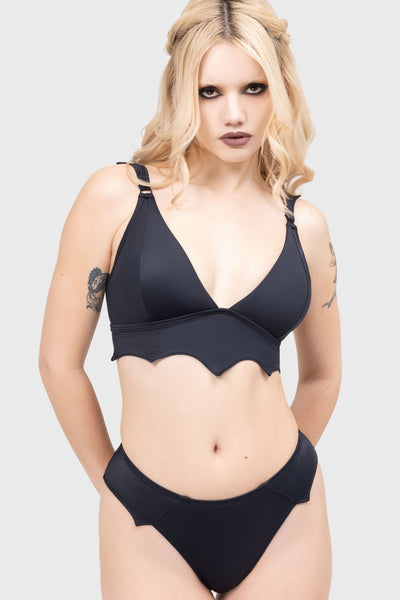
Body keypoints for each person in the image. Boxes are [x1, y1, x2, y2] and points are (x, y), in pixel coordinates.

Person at [38, 1, 341, 598]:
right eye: (210, 92)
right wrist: (116, 488)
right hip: (147, 516)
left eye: (253, 88)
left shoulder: (304, 226)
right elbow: (57, 363)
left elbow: (324, 376)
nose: (234, 113)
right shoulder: (117, 197)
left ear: (280, 89)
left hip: (286, 517)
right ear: (180, 93)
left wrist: (277, 476)